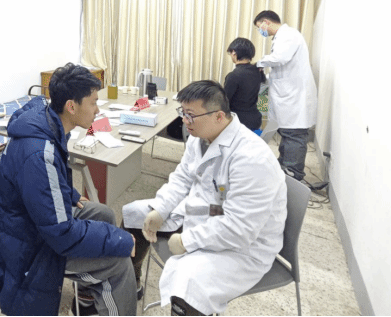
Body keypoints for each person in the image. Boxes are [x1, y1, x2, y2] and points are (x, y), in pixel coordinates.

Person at [0, 63, 137, 316]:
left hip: (22, 224)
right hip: (24, 247)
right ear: (71, 107)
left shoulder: (45, 123)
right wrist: (121, 240)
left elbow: (39, 183)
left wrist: (69, 193)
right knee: (118, 263)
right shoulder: (38, 153)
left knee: (103, 214)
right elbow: (62, 234)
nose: (98, 110)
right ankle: (106, 286)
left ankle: (87, 296)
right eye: (94, 103)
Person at [122, 80, 286, 316]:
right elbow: (182, 177)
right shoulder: (200, 137)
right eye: (183, 113)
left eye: (191, 115)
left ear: (219, 116)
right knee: (135, 214)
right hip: (206, 212)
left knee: (188, 283)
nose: (184, 121)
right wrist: (161, 208)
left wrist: (187, 241)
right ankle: (130, 283)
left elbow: (240, 228)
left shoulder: (251, 158)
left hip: (242, 245)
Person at [253, 11, 317, 181]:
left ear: (266, 22)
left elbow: (280, 59)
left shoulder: (288, 35)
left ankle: (293, 174)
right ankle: (284, 167)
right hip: (288, 95)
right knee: (287, 134)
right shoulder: (281, 37)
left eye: (260, 27)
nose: (261, 31)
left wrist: (259, 63)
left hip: (294, 97)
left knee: (294, 135)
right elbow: (280, 70)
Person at [223, 37, 265, 132]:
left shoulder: (233, 76)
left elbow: (225, 100)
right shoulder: (258, 71)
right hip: (255, 119)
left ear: (234, 53)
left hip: (238, 122)